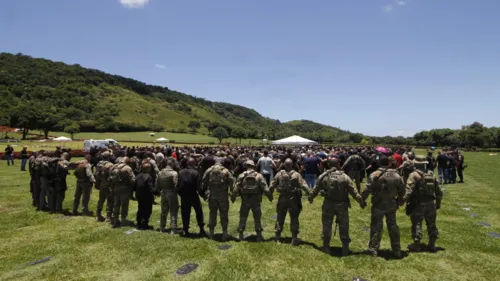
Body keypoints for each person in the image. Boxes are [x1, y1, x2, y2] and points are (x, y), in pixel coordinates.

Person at [309, 158, 366, 256]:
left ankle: (326, 247)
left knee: (327, 226)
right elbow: (353, 191)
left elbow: (316, 188)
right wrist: (361, 201)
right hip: (342, 205)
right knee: (344, 226)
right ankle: (345, 248)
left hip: (328, 204)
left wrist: (311, 197)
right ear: (338, 164)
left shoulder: (325, 176)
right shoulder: (344, 177)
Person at [361, 155, 405, 259]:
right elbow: (402, 190)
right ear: (389, 163)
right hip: (391, 204)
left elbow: (367, 189)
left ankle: (373, 249)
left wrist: (362, 199)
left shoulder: (375, 174)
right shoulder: (396, 175)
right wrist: (399, 200)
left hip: (378, 204)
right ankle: (397, 250)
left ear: (379, 163)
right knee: (393, 226)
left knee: (376, 226)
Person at [404, 155, 443, 253]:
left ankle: (416, 244)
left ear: (415, 163)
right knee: (432, 224)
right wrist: (438, 203)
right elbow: (439, 192)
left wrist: (402, 201)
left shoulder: (414, 175)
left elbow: (408, 191)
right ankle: (432, 244)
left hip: (418, 204)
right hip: (430, 204)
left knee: (417, 223)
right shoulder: (432, 175)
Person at [269, 158, 310, 246]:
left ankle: (277, 237)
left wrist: (270, 195)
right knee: (294, 217)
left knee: (280, 217)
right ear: (292, 165)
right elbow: (303, 185)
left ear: (284, 164)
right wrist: (310, 194)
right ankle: (294, 238)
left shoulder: (279, 174)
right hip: (294, 199)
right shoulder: (296, 174)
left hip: (282, 198)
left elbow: (272, 185)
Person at [232, 160, 273, 242]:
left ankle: (240, 235)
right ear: (253, 166)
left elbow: (236, 188)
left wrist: (233, 197)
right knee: (257, 218)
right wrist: (269, 196)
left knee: (243, 217)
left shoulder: (241, 175)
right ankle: (258, 236)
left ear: (246, 166)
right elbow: (265, 187)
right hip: (256, 200)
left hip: (245, 200)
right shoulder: (259, 176)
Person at [202, 159, 234, 241]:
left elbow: (203, 181)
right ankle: (225, 233)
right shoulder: (226, 171)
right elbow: (232, 182)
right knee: (224, 214)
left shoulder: (209, 170)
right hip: (223, 196)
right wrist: (233, 193)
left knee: (212, 214)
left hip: (212, 196)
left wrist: (206, 191)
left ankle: (211, 234)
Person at [178, 158, 206, 237]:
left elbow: (177, 185)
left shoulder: (180, 172)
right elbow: (198, 187)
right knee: (199, 212)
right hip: (193, 194)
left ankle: (185, 230)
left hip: (184, 195)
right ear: (194, 164)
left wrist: (180, 193)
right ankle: (201, 229)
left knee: (185, 213)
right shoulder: (195, 172)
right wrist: (202, 195)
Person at [110, 157, 136, 227]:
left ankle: (115, 219)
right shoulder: (127, 168)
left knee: (116, 204)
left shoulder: (114, 167)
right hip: (125, 188)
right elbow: (132, 179)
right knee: (124, 204)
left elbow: (110, 177)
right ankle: (123, 220)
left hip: (116, 187)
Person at [157, 159, 179, 234]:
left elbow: (157, 184)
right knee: (173, 211)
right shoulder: (174, 173)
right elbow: (176, 184)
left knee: (163, 211)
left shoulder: (160, 173)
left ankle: (162, 227)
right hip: (171, 193)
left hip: (163, 192)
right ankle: (173, 228)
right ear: (172, 164)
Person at [94, 151, 114, 222]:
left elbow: (96, 174)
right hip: (108, 184)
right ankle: (108, 217)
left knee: (101, 200)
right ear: (108, 156)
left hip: (102, 183)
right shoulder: (110, 164)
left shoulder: (99, 163)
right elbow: (112, 176)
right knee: (110, 200)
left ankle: (98, 215)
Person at [135, 161, 155, 230]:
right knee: (148, 210)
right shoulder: (149, 177)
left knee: (140, 209)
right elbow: (150, 188)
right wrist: (157, 192)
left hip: (139, 195)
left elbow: (134, 186)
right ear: (148, 169)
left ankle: (138, 223)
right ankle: (145, 224)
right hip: (147, 196)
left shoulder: (138, 176)